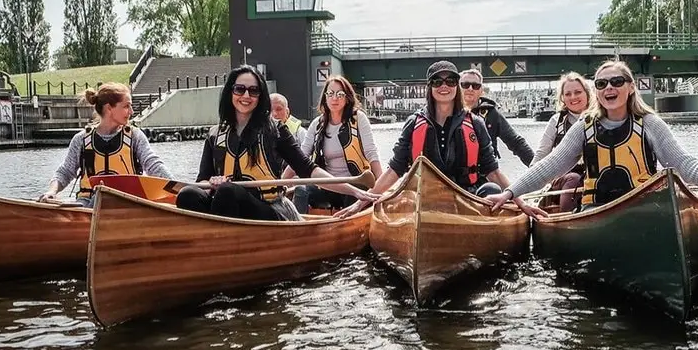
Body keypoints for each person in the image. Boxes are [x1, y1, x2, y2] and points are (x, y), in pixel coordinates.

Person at [485, 60, 698, 218]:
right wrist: (509, 193)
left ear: (631, 87)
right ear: (597, 91)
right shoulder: (585, 127)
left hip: (643, 208)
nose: (609, 88)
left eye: (616, 82)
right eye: (602, 83)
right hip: (597, 211)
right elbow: (548, 167)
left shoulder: (649, 123)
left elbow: (684, 164)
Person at [174, 65, 377, 221]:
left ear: (260, 97)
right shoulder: (215, 134)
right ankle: (207, 248)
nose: (246, 96)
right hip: (226, 207)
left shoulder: (275, 130)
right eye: (240, 89)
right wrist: (211, 183)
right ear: (230, 93)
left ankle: (226, 252)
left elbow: (308, 169)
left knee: (228, 191)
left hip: (268, 210)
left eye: (253, 91)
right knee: (188, 194)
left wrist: (354, 190)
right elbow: (201, 182)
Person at [334, 61, 511, 217]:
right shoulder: (414, 123)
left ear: (456, 86)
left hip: (466, 195)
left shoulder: (475, 123)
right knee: (398, 199)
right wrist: (362, 202)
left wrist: (517, 197)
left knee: (491, 190)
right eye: (437, 81)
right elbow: (395, 169)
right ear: (429, 87)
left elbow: (493, 172)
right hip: (424, 197)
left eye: (450, 81)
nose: (444, 86)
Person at [37, 82, 172, 207]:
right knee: (98, 198)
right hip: (88, 203)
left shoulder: (135, 137)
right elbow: (65, 172)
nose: (131, 111)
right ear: (109, 108)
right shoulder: (81, 140)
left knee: (104, 199)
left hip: (127, 203)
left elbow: (153, 164)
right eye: (126, 106)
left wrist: (176, 188)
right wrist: (52, 192)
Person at [282, 75, 383, 213]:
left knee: (356, 192)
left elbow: (371, 153)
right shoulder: (317, 124)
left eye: (340, 94)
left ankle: (347, 227)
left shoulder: (359, 119)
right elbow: (300, 157)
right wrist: (280, 183)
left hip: (355, 184)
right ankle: (299, 228)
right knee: (301, 189)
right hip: (328, 187)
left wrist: (381, 184)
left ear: (347, 98)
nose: (334, 98)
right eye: (330, 93)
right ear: (325, 97)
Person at [530, 71, 593, 213]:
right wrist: (530, 179)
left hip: (594, 174)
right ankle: (566, 219)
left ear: (587, 94)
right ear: (562, 98)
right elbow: (542, 152)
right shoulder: (556, 121)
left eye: (578, 92)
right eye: (568, 94)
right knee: (573, 179)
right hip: (565, 176)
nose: (573, 97)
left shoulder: (599, 117)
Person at [459, 69, 535, 167]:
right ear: (458, 88)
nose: (470, 89)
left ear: (481, 91)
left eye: (475, 86)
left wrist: (537, 168)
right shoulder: (449, 112)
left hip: (486, 173)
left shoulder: (491, 114)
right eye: (465, 85)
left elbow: (516, 143)